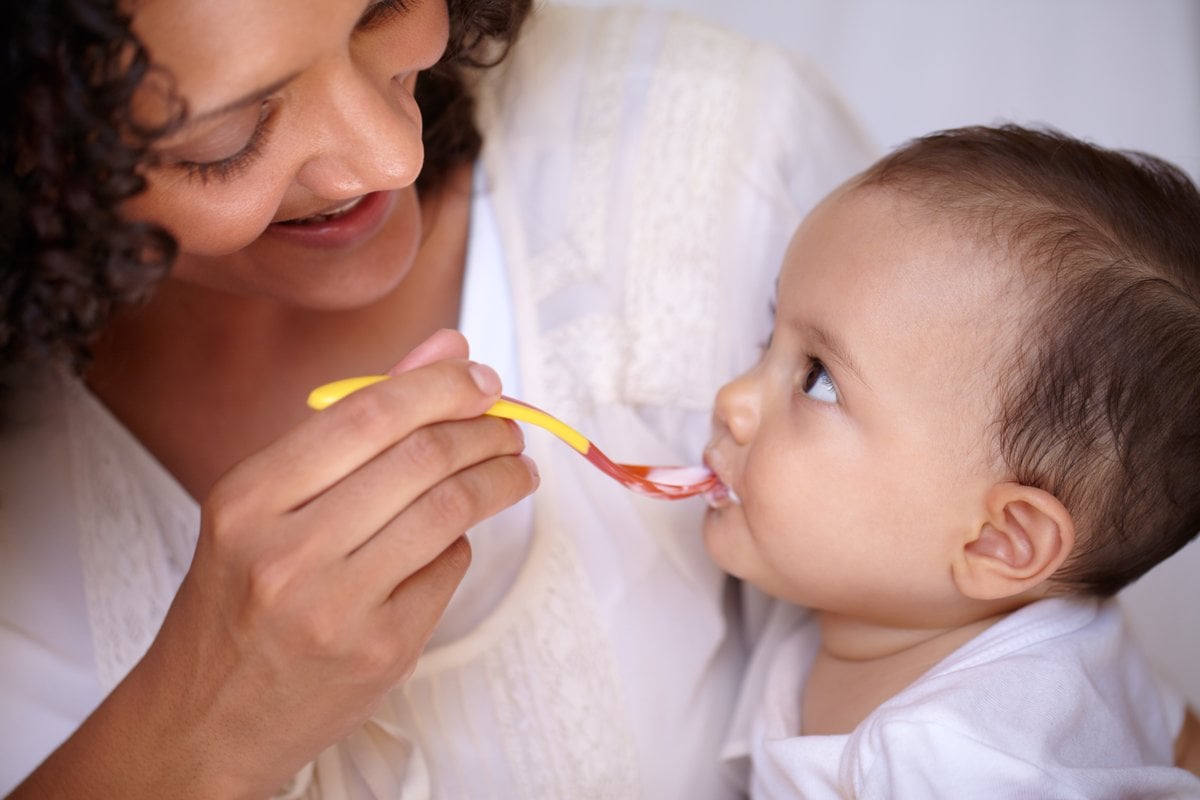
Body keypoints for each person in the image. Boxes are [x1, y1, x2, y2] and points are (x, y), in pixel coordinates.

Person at [0, 0, 877, 796]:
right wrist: (191, 737)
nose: (393, 153)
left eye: (383, 11)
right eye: (226, 139)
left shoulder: (722, 150)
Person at [704, 124, 1200, 797]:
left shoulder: (969, 764)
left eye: (818, 378)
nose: (733, 398)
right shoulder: (874, 603)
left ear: (1000, 539)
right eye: (770, 337)